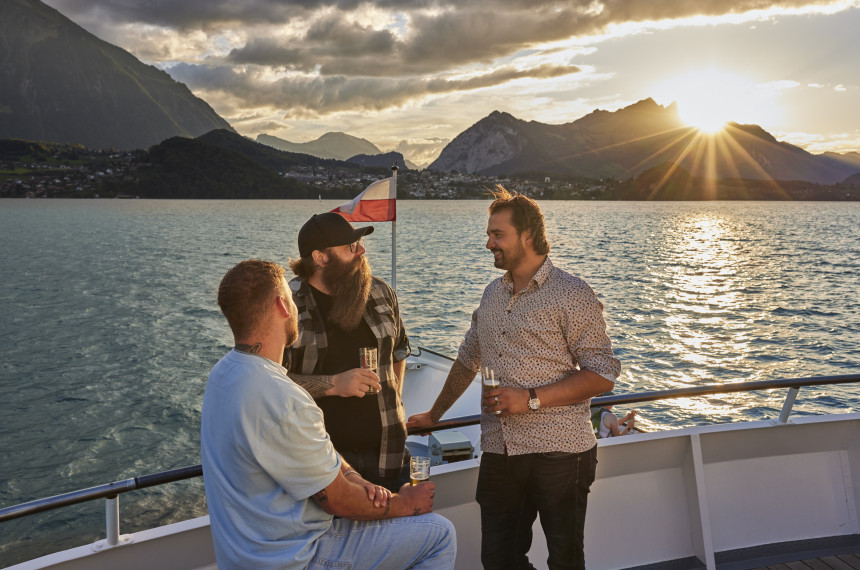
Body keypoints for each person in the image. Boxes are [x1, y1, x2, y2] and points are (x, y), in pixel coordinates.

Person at [407, 186, 621, 570]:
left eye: (497, 234)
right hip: (500, 451)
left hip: (561, 452)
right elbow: (467, 359)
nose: (488, 243)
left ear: (527, 236)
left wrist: (530, 398)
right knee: (498, 560)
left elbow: (603, 374)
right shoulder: (492, 294)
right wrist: (435, 415)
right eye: (489, 234)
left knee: (565, 560)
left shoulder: (572, 294)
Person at [202, 259, 455, 569]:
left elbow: (313, 454)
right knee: (439, 534)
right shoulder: (284, 397)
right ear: (283, 306)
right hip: (296, 557)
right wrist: (404, 505)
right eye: (291, 300)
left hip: (244, 557)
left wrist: (353, 477)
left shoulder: (223, 376)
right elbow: (337, 501)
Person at [283, 212, 412, 492]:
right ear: (320, 257)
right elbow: (270, 382)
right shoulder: (287, 305)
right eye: (351, 246)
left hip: (390, 456)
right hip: (324, 465)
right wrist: (334, 384)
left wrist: (395, 401)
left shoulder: (380, 292)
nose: (362, 251)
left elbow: (399, 353)